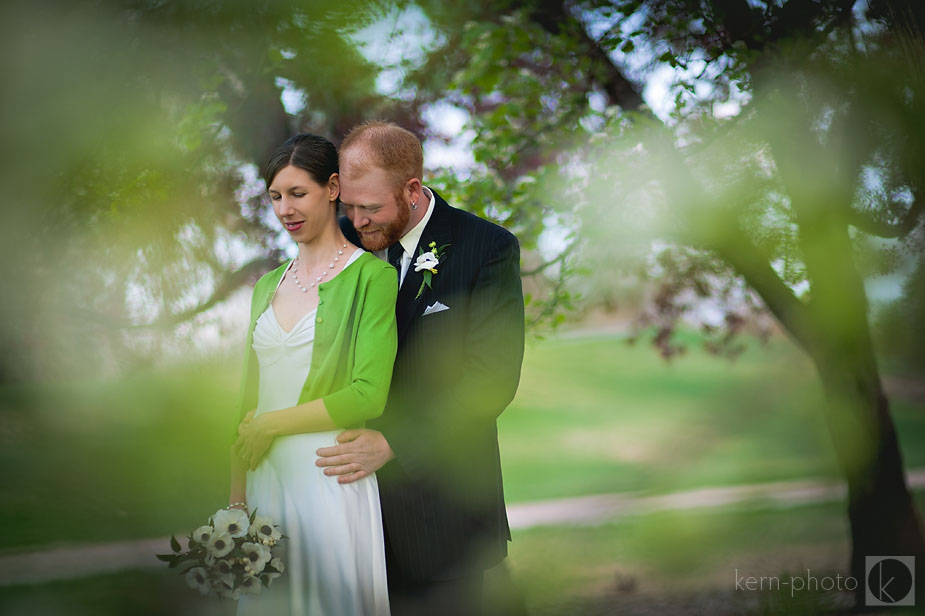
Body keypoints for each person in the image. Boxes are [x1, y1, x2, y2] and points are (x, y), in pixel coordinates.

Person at [316, 121, 526, 615]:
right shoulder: (340, 246)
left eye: (370, 208)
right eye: (347, 205)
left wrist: (394, 443)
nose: (357, 221)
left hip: (445, 516)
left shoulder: (486, 248)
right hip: (351, 510)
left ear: (412, 190)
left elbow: (489, 380)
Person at [228, 133, 397, 615]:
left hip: (327, 478)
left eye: (298, 193)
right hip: (265, 484)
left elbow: (368, 395)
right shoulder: (266, 286)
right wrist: (236, 503)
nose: (285, 209)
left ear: (333, 187)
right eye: (276, 197)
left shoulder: (372, 277)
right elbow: (245, 403)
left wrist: (270, 425)